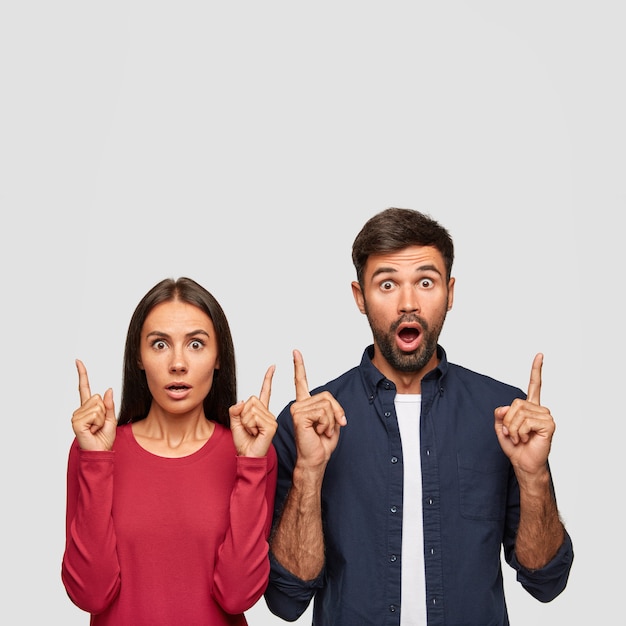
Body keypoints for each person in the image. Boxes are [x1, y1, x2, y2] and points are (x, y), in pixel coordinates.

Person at [265, 208, 574, 626]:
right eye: (387, 284)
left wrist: (533, 476)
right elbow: (287, 600)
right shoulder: (309, 423)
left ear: (449, 292)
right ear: (360, 297)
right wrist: (308, 470)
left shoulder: (503, 415)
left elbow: (547, 583)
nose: (408, 303)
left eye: (425, 283)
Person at [62, 277, 278, 625]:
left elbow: (238, 595)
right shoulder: (94, 449)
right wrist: (96, 461)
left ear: (219, 356)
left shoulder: (252, 454)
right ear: (139, 356)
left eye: (196, 344)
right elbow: (90, 593)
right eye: (160, 344)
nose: (178, 363)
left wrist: (251, 465)